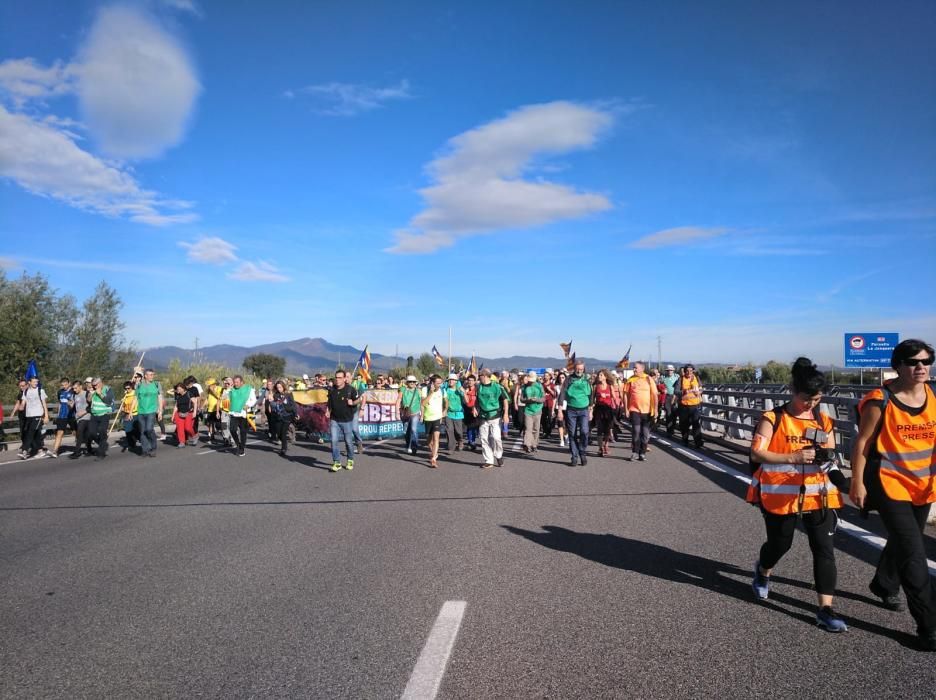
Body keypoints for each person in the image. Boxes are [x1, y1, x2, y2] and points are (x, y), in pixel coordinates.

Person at [746, 357, 848, 633]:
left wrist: (845, 483)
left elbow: (829, 456)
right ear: (792, 389)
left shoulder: (823, 420)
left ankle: (825, 610)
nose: (811, 405)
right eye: (806, 399)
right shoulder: (773, 418)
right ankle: (763, 571)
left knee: (824, 550)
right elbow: (757, 453)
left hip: (818, 494)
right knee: (780, 545)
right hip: (780, 493)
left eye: (817, 400)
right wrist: (792, 457)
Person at [850, 339, 936, 651]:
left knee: (904, 540)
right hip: (889, 482)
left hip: (923, 483)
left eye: (926, 361)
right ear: (897, 365)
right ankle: (929, 628)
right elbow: (862, 444)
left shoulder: (933, 394)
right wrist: (856, 482)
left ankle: (883, 583)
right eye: (914, 362)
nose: (921, 367)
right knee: (914, 553)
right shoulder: (880, 400)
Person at [557, 361, 594, 466]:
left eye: (581, 369)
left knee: (584, 432)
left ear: (584, 369)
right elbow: (562, 394)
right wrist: (559, 410)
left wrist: (591, 410)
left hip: (584, 410)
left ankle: (582, 451)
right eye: (578, 369)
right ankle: (574, 456)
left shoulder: (587, 379)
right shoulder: (569, 379)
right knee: (572, 434)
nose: (579, 371)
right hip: (571, 410)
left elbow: (591, 395)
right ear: (574, 368)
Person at [623, 361, 659, 461]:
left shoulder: (648, 379)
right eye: (634, 368)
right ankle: (635, 452)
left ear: (642, 369)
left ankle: (642, 453)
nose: (634, 369)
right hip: (635, 410)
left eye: (636, 368)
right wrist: (626, 409)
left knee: (645, 434)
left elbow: (655, 395)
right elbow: (625, 395)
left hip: (647, 411)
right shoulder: (631, 380)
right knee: (636, 431)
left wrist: (656, 410)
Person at [476, 368, 510, 469]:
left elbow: (505, 401)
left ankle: (499, 455)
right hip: (483, 416)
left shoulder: (497, 386)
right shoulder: (478, 387)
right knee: (484, 438)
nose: (479, 377)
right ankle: (488, 460)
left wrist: (506, 414)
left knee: (496, 437)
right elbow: (476, 399)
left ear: (485, 376)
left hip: (495, 416)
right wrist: (475, 408)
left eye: (480, 376)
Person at [327, 369, 359, 472]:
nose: (337, 380)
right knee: (333, 441)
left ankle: (350, 459)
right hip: (334, 420)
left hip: (347, 420)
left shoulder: (351, 390)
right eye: (336, 377)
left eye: (340, 378)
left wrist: (353, 403)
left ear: (345, 379)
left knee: (348, 442)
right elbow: (329, 403)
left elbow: (359, 399)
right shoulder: (331, 390)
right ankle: (337, 462)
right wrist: (328, 411)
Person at [18, 375, 49, 459]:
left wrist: (46, 416)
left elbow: (44, 404)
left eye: (37, 381)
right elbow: (23, 402)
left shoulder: (40, 390)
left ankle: (24, 451)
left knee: (30, 433)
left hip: (38, 415)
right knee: (35, 434)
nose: (36, 383)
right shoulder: (26, 391)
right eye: (34, 381)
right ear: (29, 382)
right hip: (29, 415)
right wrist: (21, 406)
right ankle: (40, 451)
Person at [420, 374, 447, 468]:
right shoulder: (424, 390)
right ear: (432, 383)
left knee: (436, 438)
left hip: (437, 417)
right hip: (428, 418)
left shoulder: (442, 390)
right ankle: (433, 453)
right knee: (428, 441)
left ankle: (433, 459)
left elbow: (446, 401)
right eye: (438, 383)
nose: (440, 384)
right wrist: (431, 393)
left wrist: (445, 410)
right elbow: (423, 403)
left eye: (441, 382)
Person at [136, 369, 163, 458]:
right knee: (142, 431)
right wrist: (130, 412)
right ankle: (145, 450)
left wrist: (160, 411)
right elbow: (135, 398)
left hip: (151, 411)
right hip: (141, 411)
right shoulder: (139, 385)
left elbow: (160, 398)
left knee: (149, 429)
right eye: (150, 374)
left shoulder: (156, 384)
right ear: (145, 376)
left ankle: (153, 447)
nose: (152, 376)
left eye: (152, 374)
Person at [227, 375, 257, 457]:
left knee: (243, 432)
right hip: (234, 413)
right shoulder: (232, 389)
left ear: (241, 382)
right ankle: (238, 444)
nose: (235, 384)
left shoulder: (248, 389)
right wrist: (229, 388)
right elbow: (226, 397)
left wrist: (248, 405)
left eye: (237, 382)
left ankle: (242, 448)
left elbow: (254, 400)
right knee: (232, 430)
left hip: (243, 414)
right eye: (234, 382)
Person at [592, 370, 619, 457]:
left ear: (605, 377)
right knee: (600, 429)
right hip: (599, 409)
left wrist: (617, 406)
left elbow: (614, 398)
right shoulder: (596, 387)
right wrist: (591, 409)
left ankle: (606, 445)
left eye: (601, 375)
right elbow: (592, 399)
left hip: (608, 409)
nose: (599, 376)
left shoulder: (610, 386)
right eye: (598, 375)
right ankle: (600, 448)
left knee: (607, 430)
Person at [676, 364, 704, 448]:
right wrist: (684, 391)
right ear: (684, 372)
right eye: (687, 371)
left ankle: (698, 442)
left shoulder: (696, 378)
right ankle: (685, 440)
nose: (689, 372)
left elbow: (701, 388)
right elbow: (676, 391)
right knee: (684, 425)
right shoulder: (680, 379)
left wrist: (700, 392)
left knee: (696, 423)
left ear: (693, 371)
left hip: (695, 406)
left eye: (691, 371)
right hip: (684, 406)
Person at [87, 378, 114, 460]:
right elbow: (88, 401)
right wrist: (91, 394)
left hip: (104, 414)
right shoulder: (92, 390)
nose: (94, 387)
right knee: (91, 432)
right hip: (95, 414)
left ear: (100, 383)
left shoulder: (108, 389)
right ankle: (103, 444)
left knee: (102, 431)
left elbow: (109, 401)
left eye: (95, 385)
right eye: (93, 385)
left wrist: (100, 394)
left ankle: (101, 454)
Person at [269, 379, 297, 457]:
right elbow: (273, 404)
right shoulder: (276, 395)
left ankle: (283, 448)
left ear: (283, 387)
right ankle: (284, 442)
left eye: (280, 387)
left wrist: (296, 414)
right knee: (279, 433)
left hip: (287, 416)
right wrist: (270, 403)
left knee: (283, 433)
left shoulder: (288, 394)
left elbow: (293, 404)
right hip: (278, 416)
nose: (279, 389)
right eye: (277, 387)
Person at [520, 371, 546, 454]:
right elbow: (521, 399)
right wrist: (528, 400)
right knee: (528, 428)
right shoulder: (524, 387)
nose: (531, 382)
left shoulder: (539, 386)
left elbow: (543, 398)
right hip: (528, 410)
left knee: (536, 429)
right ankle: (527, 445)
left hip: (538, 410)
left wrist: (536, 400)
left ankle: (534, 445)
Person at [50, 377, 75, 458]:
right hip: (62, 415)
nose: (64, 386)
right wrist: (58, 414)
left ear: (69, 383)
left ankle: (86, 444)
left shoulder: (73, 391)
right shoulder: (60, 392)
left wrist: (69, 403)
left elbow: (74, 404)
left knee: (76, 432)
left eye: (65, 384)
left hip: (72, 415)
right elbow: (60, 403)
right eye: (62, 385)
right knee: (59, 433)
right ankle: (55, 451)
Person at [398, 375, 423, 455]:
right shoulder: (403, 389)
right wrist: (396, 412)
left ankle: (414, 446)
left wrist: (422, 415)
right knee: (405, 431)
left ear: (415, 383)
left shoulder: (418, 391)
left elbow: (421, 403)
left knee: (413, 429)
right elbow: (398, 400)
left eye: (413, 382)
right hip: (405, 413)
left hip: (415, 413)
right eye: (410, 382)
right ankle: (408, 445)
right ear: (407, 383)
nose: (412, 383)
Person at [444, 373, 467, 452]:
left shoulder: (459, 390)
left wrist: (463, 392)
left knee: (458, 432)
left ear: (456, 381)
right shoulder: (445, 389)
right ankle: (451, 447)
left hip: (458, 414)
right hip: (448, 413)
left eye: (453, 380)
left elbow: (466, 401)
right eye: (449, 380)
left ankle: (460, 441)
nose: (451, 381)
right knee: (449, 430)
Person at [70, 379, 93, 459]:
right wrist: (70, 405)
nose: (74, 390)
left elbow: (91, 406)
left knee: (79, 434)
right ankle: (90, 450)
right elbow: (72, 406)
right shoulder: (73, 395)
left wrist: (84, 412)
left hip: (87, 417)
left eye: (76, 388)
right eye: (73, 388)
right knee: (87, 435)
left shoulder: (86, 393)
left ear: (80, 387)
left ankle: (77, 452)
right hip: (78, 418)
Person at [172, 383, 196, 448]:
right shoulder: (178, 395)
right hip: (179, 413)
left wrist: (195, 412)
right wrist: (173, 415)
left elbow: (195, 402)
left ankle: (194, 436)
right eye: (177, 389)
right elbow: (176, 406)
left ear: (183, 388)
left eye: (179, 389)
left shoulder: (189, 394)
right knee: (180, 429)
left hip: (188, 413)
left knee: (187, 428)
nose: (178, 390)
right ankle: (182, 442)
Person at [118, 381, 140, 453]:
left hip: (135, 414)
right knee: (127, 430)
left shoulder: (135, 393)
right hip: (127, 414)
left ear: (131, 387)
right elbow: (124, 406)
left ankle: (141, 439)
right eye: (125, 388)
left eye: (128, 388)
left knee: (135, 430)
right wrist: (122, 407)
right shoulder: (125, 396)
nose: (127, 390)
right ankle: (131, 444)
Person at [462, 374, 480, 450]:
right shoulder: (465, 390)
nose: (470, 382)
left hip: (476, 409)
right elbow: (464, 401)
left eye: (472, 380)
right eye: (469, 380)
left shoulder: (477, 390)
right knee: (469, 426)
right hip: (467, 409)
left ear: (475, 381)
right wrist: (464, 393)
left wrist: (477, 408)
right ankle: (471, 441)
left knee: (476, 426)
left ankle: (473, 440)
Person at [661, 364, 680, 434]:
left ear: (673, 371)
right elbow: (660, 386)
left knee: (674, 414)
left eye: (671, 370)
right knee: (668, 413)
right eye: (668, 370)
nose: (670, 371)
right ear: (666, 371)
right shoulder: (663, 378)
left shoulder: (677, 377)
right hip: (667, 397)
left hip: (675, 397)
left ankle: (672, 428)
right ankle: (669, 430)